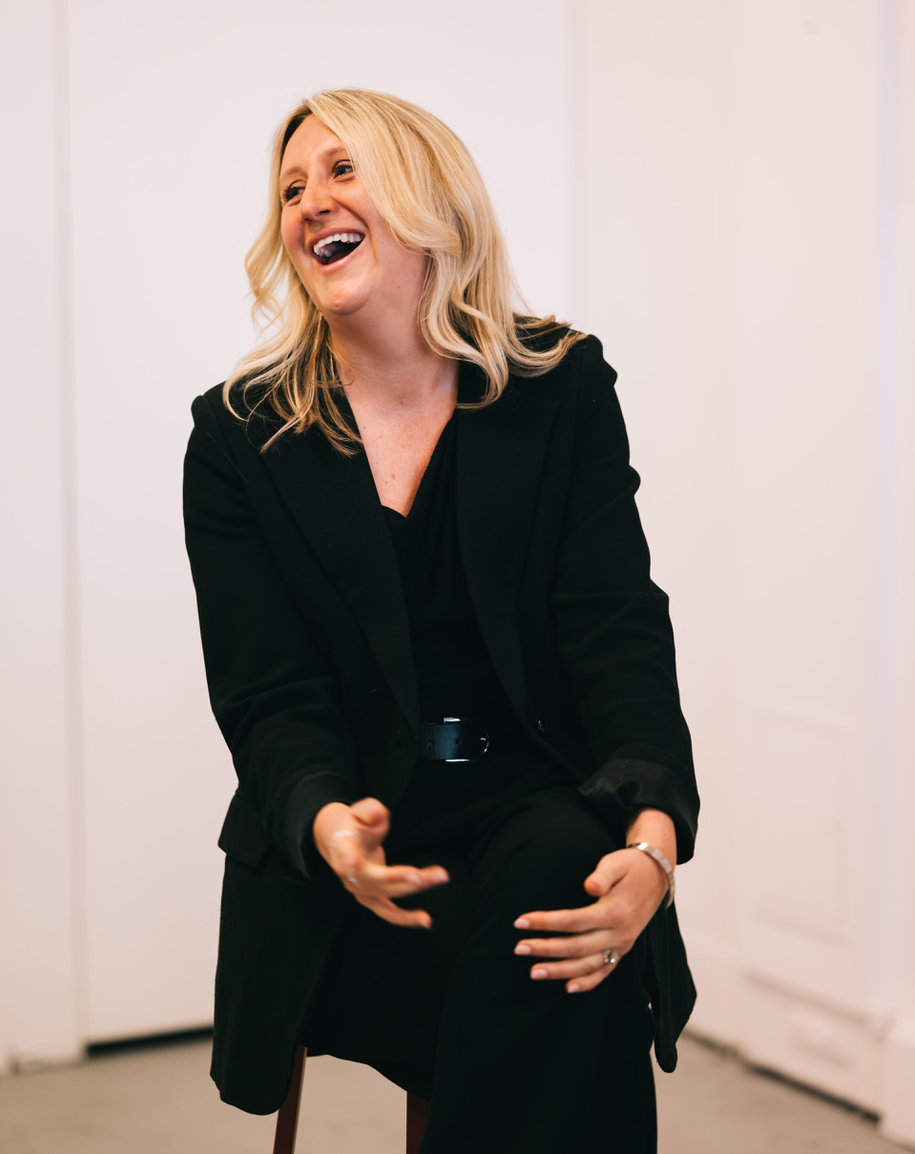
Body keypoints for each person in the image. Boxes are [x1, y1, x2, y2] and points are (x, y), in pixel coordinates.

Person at [183, 88, 699, 1153]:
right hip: (354, 856)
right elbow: (267, 696)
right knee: (556, 960)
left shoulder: (557, 388)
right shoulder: (240, 440)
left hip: (524, 809)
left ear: (430, 201)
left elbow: (619, 635)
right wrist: (333, 828)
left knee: (571, 872)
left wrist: (653, 843)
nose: (307, 202)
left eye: (340, 169)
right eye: (289, 187)